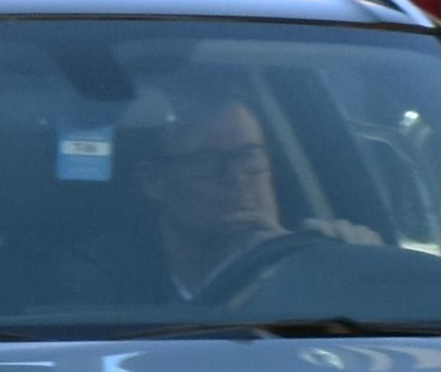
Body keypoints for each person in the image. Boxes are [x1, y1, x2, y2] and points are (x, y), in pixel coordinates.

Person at [137, 94, 380, 303]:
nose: (237, 176)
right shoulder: (108, 292)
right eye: (207, 162)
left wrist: (364, 272)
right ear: (155, 182)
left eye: (250, 157)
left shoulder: (319, 262)